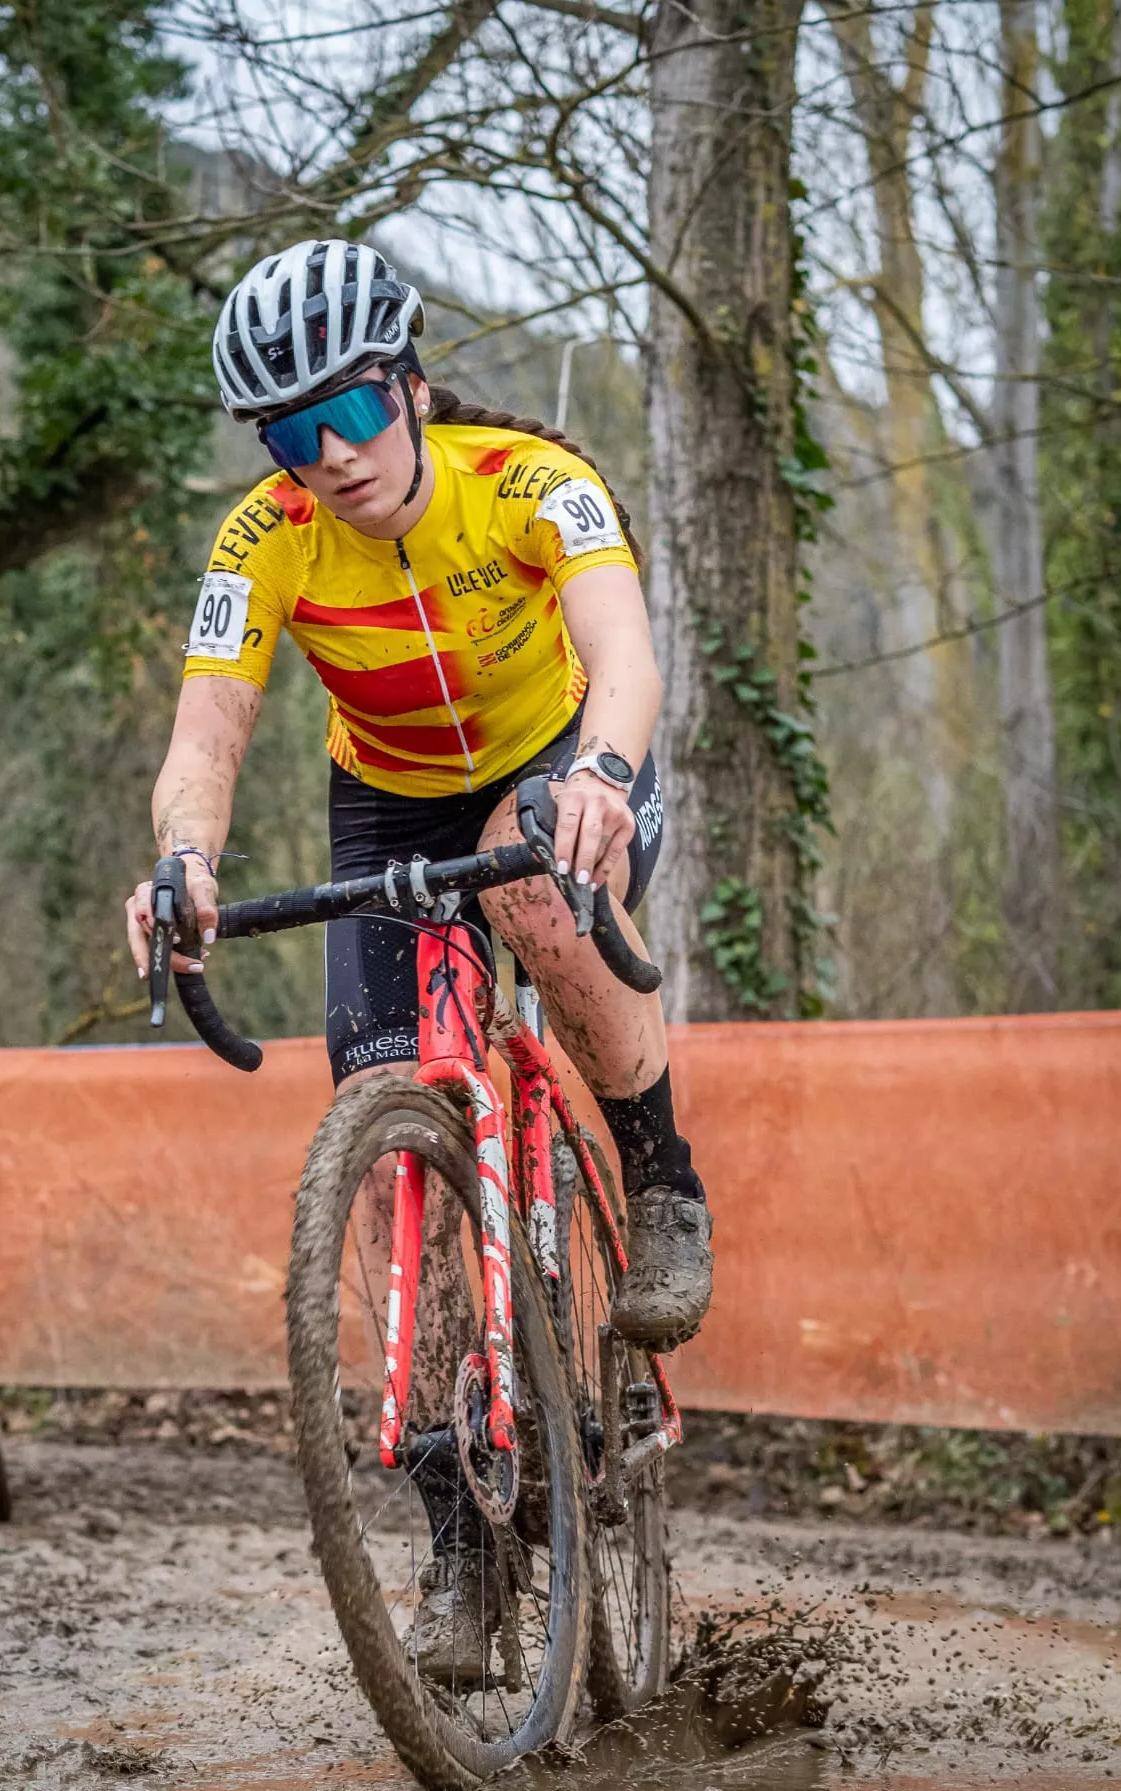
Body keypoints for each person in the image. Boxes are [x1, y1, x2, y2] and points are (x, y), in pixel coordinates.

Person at [125, 240, 713, 1668]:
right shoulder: (261, 540)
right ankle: (458, 1544)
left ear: (409, 384)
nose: (326, 458)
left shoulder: (528, 482)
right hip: (382, 796)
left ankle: (660, 1177)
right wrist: (185, 861)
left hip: (559, 758)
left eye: (349, 414)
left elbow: (626, 654)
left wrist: (603, 772)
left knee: (534, 896)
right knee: (388, 1132)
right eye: (288, 433)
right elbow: (207, 734)